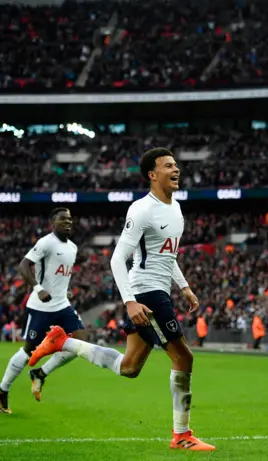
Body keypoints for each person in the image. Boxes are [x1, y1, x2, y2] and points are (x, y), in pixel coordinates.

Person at [28, 148, 215, 451]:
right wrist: (130, 301)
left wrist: (184, 286)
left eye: (176, 164)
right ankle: (181, 436)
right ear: (152, 175)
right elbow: (117, 259)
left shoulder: (175, 208)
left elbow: (167, 256)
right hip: (147, 294)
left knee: (129, 367)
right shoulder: (142, 210)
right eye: (168, 165)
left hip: (159, 291)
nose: (176, 169)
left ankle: (63, 342)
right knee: (184, 357)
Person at [0, 208, 87, 413]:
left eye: (69, 219)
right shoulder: (46, 242)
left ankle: (40, 373)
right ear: (52, 222)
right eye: (62, 219)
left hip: (62, 305)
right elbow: (23, 266)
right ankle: (3, 391)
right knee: (29, 350)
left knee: (81, 341)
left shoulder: (73, 247)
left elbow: (60, 276)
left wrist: (65, 292)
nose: (68, 222)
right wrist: (38, 290)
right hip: (41, 307)